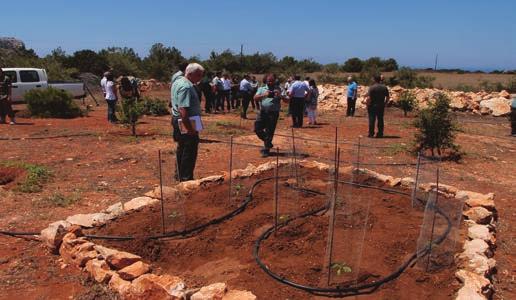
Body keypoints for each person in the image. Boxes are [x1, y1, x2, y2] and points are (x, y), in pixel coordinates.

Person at [171, 63, 205, 181]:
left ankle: (179, 174)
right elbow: (183, 110)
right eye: (198, 75)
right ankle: (186, 178)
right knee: (189, 150)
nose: (200, 78)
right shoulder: (186, 86)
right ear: (190, 74)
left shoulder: (178, 81)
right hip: (187, 120)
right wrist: (190, 129)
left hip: (183, 119)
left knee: (182, 148)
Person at [254, 74, 283, 157]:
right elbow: (255, 98)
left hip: (273, 113)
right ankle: (268, 142)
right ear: (266, 81)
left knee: (269, 131)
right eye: (269, 81)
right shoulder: (262, 88)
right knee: (257, 128)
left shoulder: (279, 89)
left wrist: (280, 95)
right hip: (263, 112)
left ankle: (266, 150)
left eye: (272, 80)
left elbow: (287, 100)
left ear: (275, 81)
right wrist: (265, 95)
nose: (270, 82)